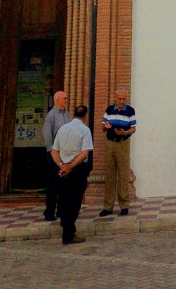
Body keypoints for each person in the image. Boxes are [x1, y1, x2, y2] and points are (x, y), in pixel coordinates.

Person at [52, 104, 93, 245]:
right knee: (74, 202)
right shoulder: (85, 130)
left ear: (73, 114)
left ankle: (65, 224)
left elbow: (54, 151)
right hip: (77, 169)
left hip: (63, 169)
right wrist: (71, 166)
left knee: (64, 198)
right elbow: (84, 153)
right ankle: (68, 234)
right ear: (85, 116)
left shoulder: (63, 129)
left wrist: (62, 166)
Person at [99, 88, 137, 218]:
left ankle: (124, 205)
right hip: (110, 143)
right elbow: (103, 127)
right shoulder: (109, 109)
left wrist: (125, 132)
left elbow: (133, 128)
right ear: (115, 98)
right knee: (109, 175)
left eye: (124, 99)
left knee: (123, 174)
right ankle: (108, 206)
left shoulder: (130, 111)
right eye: (119, 98)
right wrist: (106, 126)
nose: (121, 101)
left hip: (123, 143)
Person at [41, 91, 71, 221]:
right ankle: (49, 212)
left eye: (66, 98)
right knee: (53, 185)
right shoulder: (51, 115)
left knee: (64, 184)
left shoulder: (66, 114)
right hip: (54, 154)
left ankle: (61, 210)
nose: (66, 100)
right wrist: (52, 153)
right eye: (64, 98)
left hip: (66, 154)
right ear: (57, 100)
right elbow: (47, 135)